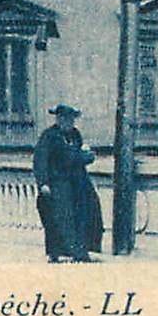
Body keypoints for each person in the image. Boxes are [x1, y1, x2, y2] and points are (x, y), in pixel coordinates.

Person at [34, 103, 101, 262]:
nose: (67, 122)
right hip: (58, 183)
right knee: (60, 218)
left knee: (87, 212)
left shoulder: (75, 135)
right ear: (58, 119)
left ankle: (81, 250)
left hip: (77, 182)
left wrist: (87, 156)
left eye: (70, 119)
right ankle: (56, 252)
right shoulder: (49, 136)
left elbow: (77, 156)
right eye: (63, 118)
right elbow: (40, 160)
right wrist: (43, 183)